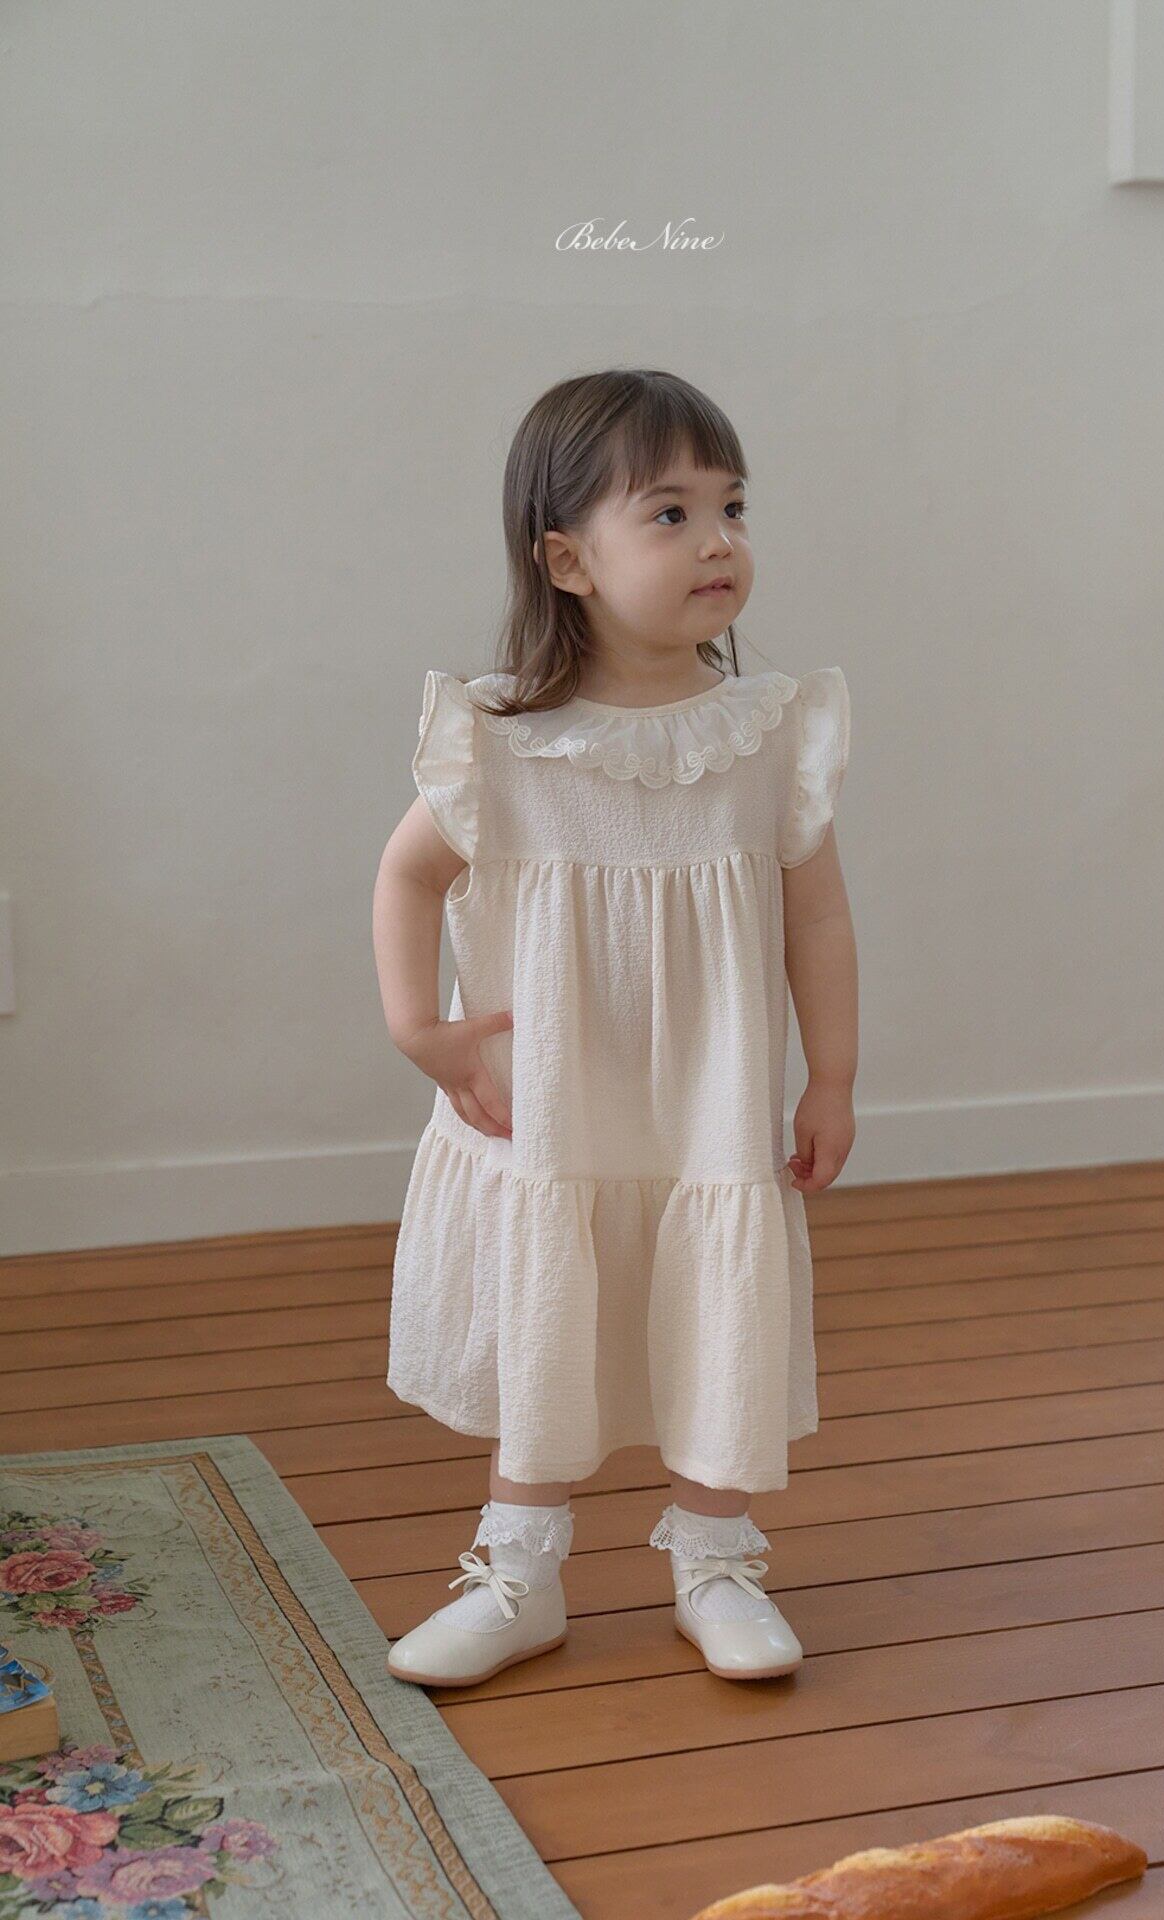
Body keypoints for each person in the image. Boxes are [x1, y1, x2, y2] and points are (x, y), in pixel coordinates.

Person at [372, 367, 859, 1688]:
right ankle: (519, 1573)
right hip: (555, 1102)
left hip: (709, 1104)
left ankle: (715, 1561)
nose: (718, 541)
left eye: (733, 507)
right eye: (670, 514)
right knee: (553, 1315)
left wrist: (831, 1078)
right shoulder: (506, 743)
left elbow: (817, 918)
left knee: (714, 1311)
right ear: (568, 560)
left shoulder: (765, 733)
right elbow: (408, 876)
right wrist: (421, 1028)